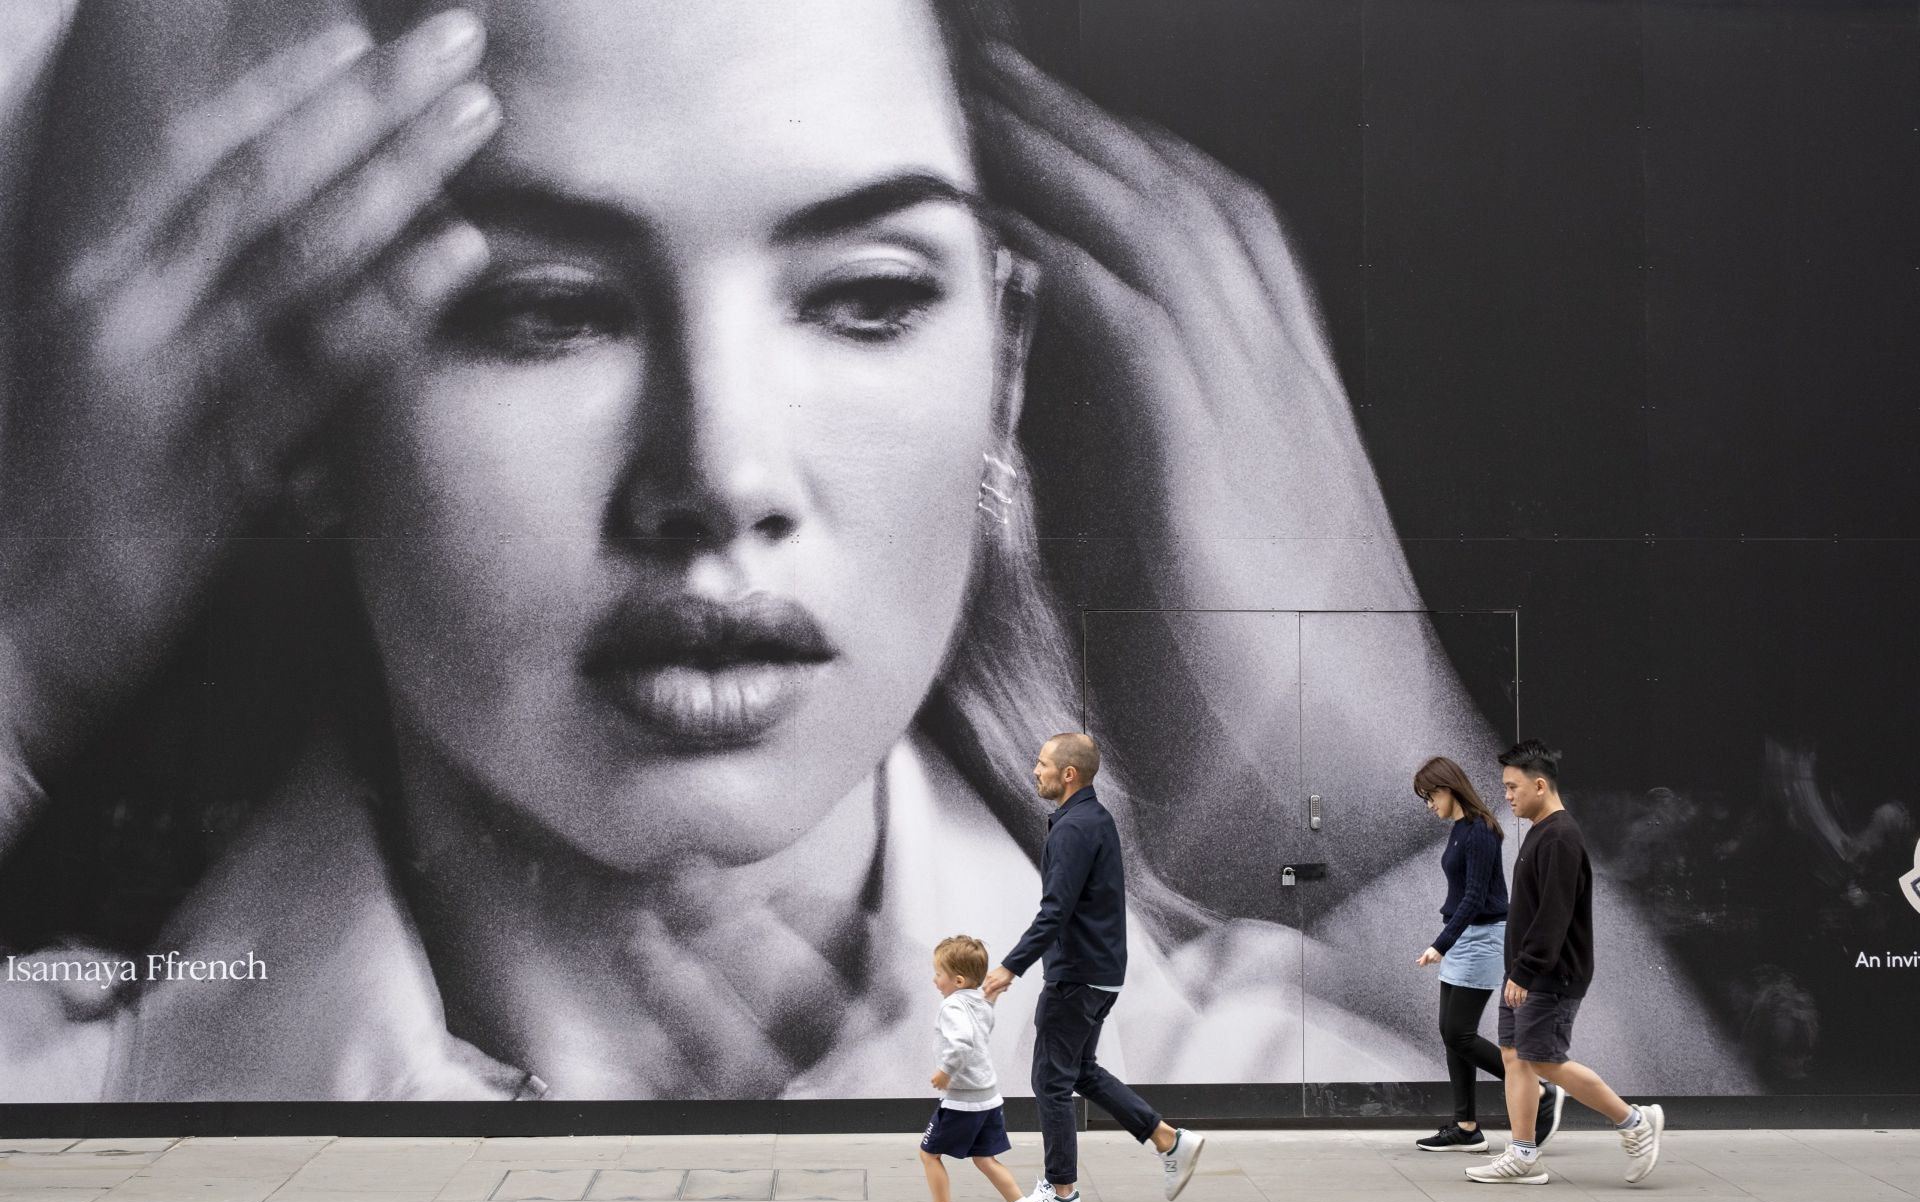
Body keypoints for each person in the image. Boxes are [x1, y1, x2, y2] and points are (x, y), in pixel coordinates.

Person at [0, 0, 1748, 1103]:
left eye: (866, 296)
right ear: (291, 402)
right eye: (545, 308)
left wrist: (1374, 792)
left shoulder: (1313, 1083)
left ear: (1001, 363)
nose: (724, 473)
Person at [982, 733, 1203, 1202]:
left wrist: (1008, 967)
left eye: (1041, 764)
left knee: (1050, 1080)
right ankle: (1169, 1140)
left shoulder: (1074, 828)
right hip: (1100, 970)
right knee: (1080, 1071)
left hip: (1077, 975)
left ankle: (1062, 1194)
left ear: (1069, 775)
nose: (1034, 771)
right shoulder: (1093, 818)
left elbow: (1054, 911)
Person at [1466, 740, 1666, 1186]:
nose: (1507, 795)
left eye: (1513, 787)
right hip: (1527, 972)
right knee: (1516, 1057)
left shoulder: (1560, 836)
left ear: (1540, 785)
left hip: (1547, 975)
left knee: (1545, 1061)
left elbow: (1553, 913)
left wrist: (1525, 969)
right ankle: (1521, 1154)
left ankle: (1634, 1122)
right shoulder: (1543, 831)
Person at [1411, 756, 1565, 1154]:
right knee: (1452, 1035)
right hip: (1463, 937)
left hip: (1481, 939)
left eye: (1431, 795)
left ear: (1449, 787)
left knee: (1457, 1031)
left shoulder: (1480, 831)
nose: (1429, 805)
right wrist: (1448, 940)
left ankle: (1539, 1090)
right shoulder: (1461, 829)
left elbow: (1476, 896)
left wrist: (1440, 943)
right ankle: (1466, 1128)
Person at [907, 934, 1044, 1202]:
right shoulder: (980, 1001)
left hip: (962, 1101)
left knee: (929, 1154)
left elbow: (962, 1041)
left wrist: (945, 1072)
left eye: (938, 974)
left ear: (956, 980)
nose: (934, 979)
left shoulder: (952, 1006)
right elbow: (982, 1019)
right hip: (988, 1098)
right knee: (985, 1158)